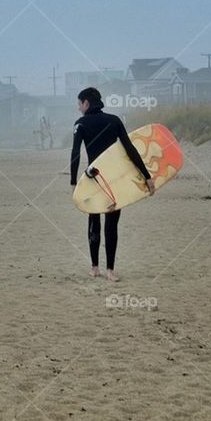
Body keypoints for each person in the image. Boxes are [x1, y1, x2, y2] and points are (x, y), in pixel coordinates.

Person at [69, 87, 154, 281]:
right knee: (112, 224)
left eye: (79, 104)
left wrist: (74, 182)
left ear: (86, 103)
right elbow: (130, 149)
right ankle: (110, 270)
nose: (78, 108)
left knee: (94, 222)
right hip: (115, 181)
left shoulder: (80, 124)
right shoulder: (114, 120)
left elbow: (75, 153)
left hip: (93, 179)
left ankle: (94, 268)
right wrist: (147, 176)